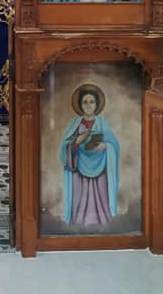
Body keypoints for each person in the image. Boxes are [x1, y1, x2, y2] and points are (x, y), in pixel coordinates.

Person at [59, 85, 119, 226]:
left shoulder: (102, 123)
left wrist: (105, 146)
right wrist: (76, 142)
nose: (88, 105)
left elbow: (114, 145)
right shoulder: (75, 123)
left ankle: (102, 223)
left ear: (97, 104)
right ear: (80, 105)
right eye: (85, 102)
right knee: (79, 195)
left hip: (100, 166)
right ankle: (79, 223)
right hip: (79, 166)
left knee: (101, 194)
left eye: (91, 101)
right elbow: (64, 146)